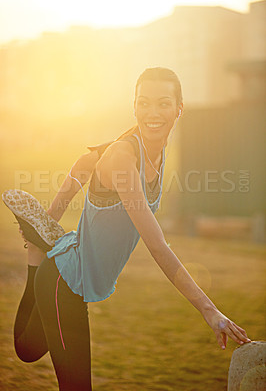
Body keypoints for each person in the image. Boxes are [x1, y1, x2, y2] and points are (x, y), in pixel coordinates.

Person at [2, 67, 251, 391]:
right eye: (144, 103)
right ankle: (42, 247)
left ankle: (38, 252)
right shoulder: (124, 156)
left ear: (179, 107)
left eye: (163, 103)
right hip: (65, 280)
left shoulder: (153, 153)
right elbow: (158, 246)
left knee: (26, 350)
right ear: (134, 106)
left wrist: (49, 219)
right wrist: (209, 309)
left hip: (71, 277)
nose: (152, 113)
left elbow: (85, 164)